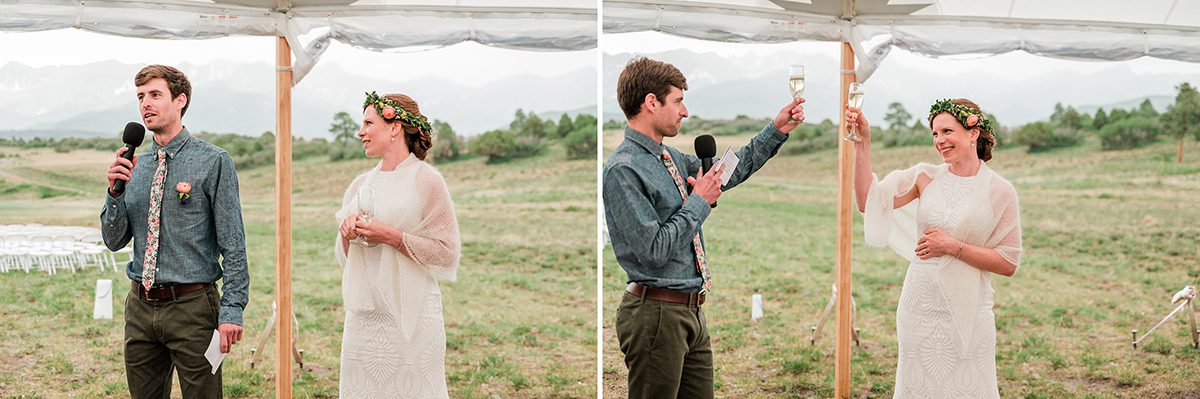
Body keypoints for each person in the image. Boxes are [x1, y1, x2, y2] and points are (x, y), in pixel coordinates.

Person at [602, 56, 805, 399]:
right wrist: (699, 201)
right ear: (651, 102)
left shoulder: (670, 158)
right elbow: (653, 251)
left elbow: (727, 172)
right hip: (656, 316)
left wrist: (776, 129)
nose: (685, 111)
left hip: (692, 310)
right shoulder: (623, 169)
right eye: (678, 101)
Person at [848, 98, 1023, 398]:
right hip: (920, 307)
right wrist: (863, 144)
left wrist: (953, 246)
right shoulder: (924, 176)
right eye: (934, 134)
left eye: (946, 131)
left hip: (971, 310)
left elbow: (1008, 262)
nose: (939, 141)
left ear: (973, 132)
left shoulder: (1000, 191)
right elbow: (868, 202)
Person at [102, 64, 249, 398]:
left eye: (155, 95)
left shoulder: (213, 161)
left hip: (193, 308)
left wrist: (232, 310)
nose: (145, 104)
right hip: (139, 307)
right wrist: (114, 193)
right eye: (140, 96)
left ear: (180, 100)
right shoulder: (135, 165)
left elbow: (234, 244)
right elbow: (113, 240)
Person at [335, 91, 461, 398]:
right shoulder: (361, 184)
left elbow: (446, 253)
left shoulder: (426, 180)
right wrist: (346, 232)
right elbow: (345, 259)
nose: (360, 131)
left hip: (412, 316)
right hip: (364, 318)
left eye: (368, 122)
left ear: (394, 127)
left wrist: (391, 236)